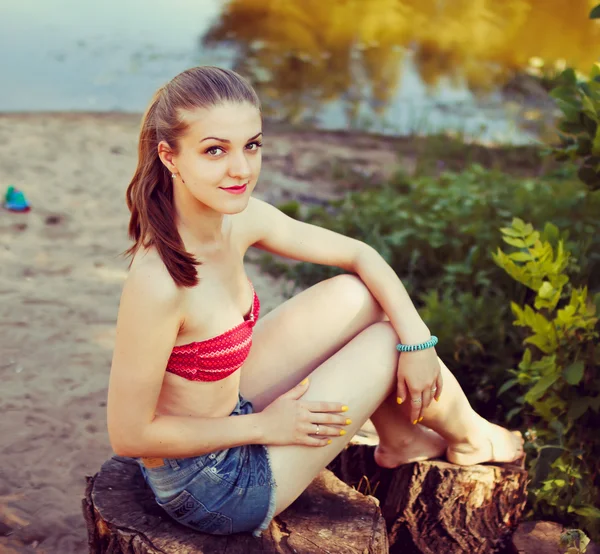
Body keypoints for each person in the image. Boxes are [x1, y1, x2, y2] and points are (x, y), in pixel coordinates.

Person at [106, 66, 524, 538]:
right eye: (215, 150)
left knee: (361, 298)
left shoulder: (238, 221)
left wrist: (419, 342)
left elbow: (358, 254)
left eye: (252, 145)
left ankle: (405, 439)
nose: (241, 169)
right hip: (210, 486)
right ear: (170, 156)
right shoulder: (157, 283)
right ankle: (472, 439)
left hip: (229, 412)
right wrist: (266, 426)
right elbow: (129, 434)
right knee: (387, 343)